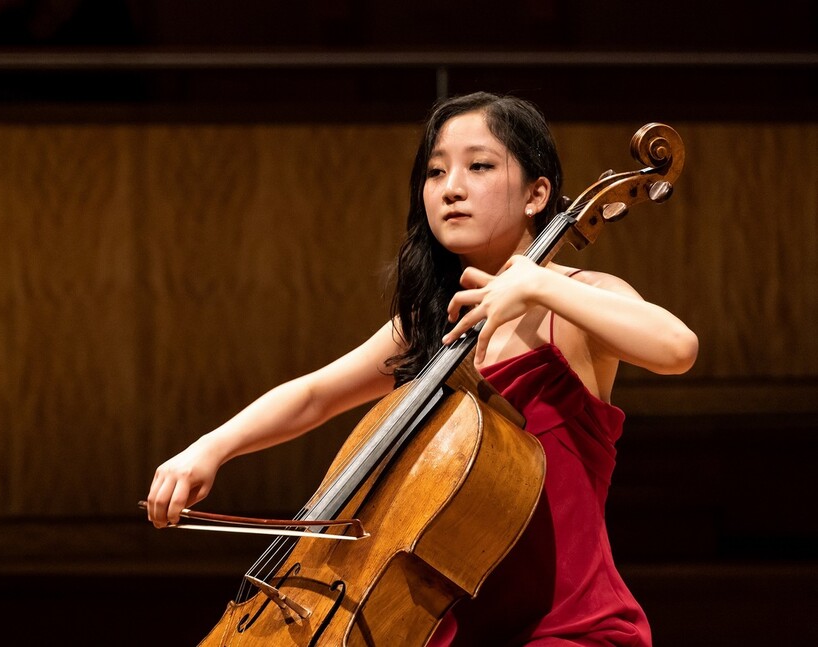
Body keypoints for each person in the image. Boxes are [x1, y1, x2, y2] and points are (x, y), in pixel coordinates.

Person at [145, 92, 698, 646]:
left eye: (479, 166)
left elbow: (677, 348)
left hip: (573, 631)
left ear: (538, 194)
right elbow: (315, 395)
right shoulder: (432, 327)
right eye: (436, 172)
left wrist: (539, 283)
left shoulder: (576, 304)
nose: (451, 187)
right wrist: (210, 448)